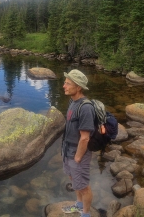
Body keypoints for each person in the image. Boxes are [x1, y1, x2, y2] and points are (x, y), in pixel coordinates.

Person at [60, 69, 94, 217]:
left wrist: (78, 157)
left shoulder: (85, 107)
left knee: (84, 186)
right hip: (68, 150)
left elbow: (85, 137)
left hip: (77, 153)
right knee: (74, 180)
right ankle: (79, 205)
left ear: (78, 87)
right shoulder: (72, 102)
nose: (64, 86)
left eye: (68, 83)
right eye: (65, 82)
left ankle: (85, 214)